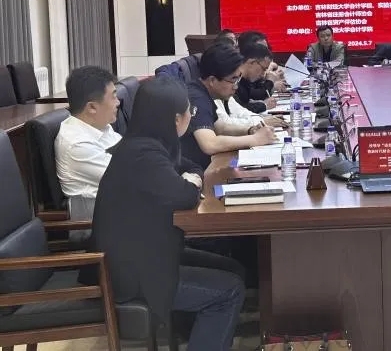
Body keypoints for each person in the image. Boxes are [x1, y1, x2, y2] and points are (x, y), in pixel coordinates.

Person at [87, 77, 245, 351]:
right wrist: (190, 184)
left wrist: (190, 181)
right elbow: (185, 195)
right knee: (229, 290)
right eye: (190, 112)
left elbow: (193, 169)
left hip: (147, 253)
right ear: (175, 119)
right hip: (132, 272)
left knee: (233, 268)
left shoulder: (146, 143)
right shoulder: (143, 155)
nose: (191, 116)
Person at [181, 42, 276, 170]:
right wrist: (255, 139)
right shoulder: (196, 97)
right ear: (212, 80)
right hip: (189, 173)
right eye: (233, 80)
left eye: (238, 79)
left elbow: (220, 128)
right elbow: (209, 144)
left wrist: (249, 130)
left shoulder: (204, 93)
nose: (236, 86)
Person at [55, 66, 122, 223]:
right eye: (113, 97)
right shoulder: (76, 144)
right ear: (92, 107)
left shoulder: (101, 126)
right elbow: (129, 175)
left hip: (121, 213)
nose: (118, 102)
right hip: (98, 224)